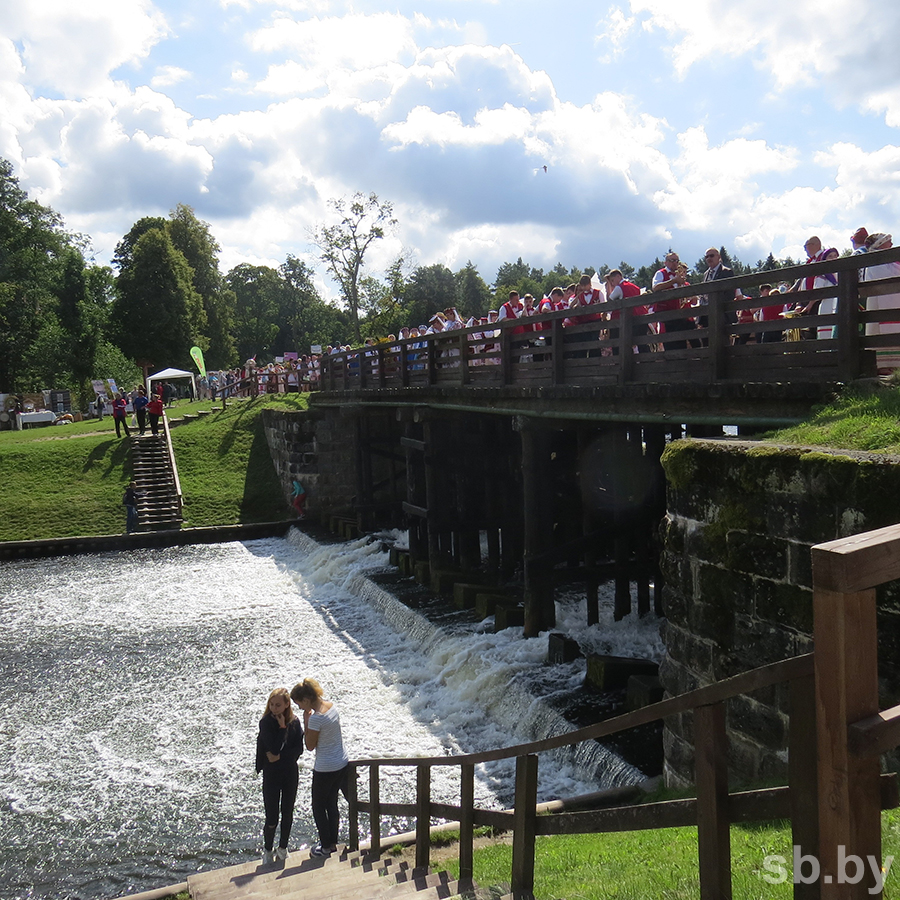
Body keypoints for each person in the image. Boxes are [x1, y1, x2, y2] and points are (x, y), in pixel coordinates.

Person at [290, 678, 349, 858]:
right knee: (332, 803)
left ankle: (325, 847)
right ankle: (332, 842)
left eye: (299, 703)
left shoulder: (316, 718)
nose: (299, 707)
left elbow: (309, 745)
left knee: (318, 807)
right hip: (341, 763)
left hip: (325, 768)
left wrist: (306, 721)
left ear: (306, 700)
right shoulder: (331, 707)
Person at [257, 687, 304, 864]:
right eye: (272, 704)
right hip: (271, 775)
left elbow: (298, 750)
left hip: (290, 772)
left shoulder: (295, 722)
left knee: (288, 812)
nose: (274, 708)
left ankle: (283, 848)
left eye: (278, 705)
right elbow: (273, 748)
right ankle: (268, 850)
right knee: (271, 816)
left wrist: (281, 756)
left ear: (286, 705)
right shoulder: (266, 723)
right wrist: (282, 728)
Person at [651, 252, 695, 350]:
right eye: (672, 261)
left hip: (679, 314)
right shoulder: (661, 273)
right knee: (671, 344)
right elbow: (656, 287)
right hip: (667, 314)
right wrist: (674, 281)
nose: (675, 263)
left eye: (677, 261)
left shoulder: (678, 275)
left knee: (681, 344)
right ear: (665, 262)